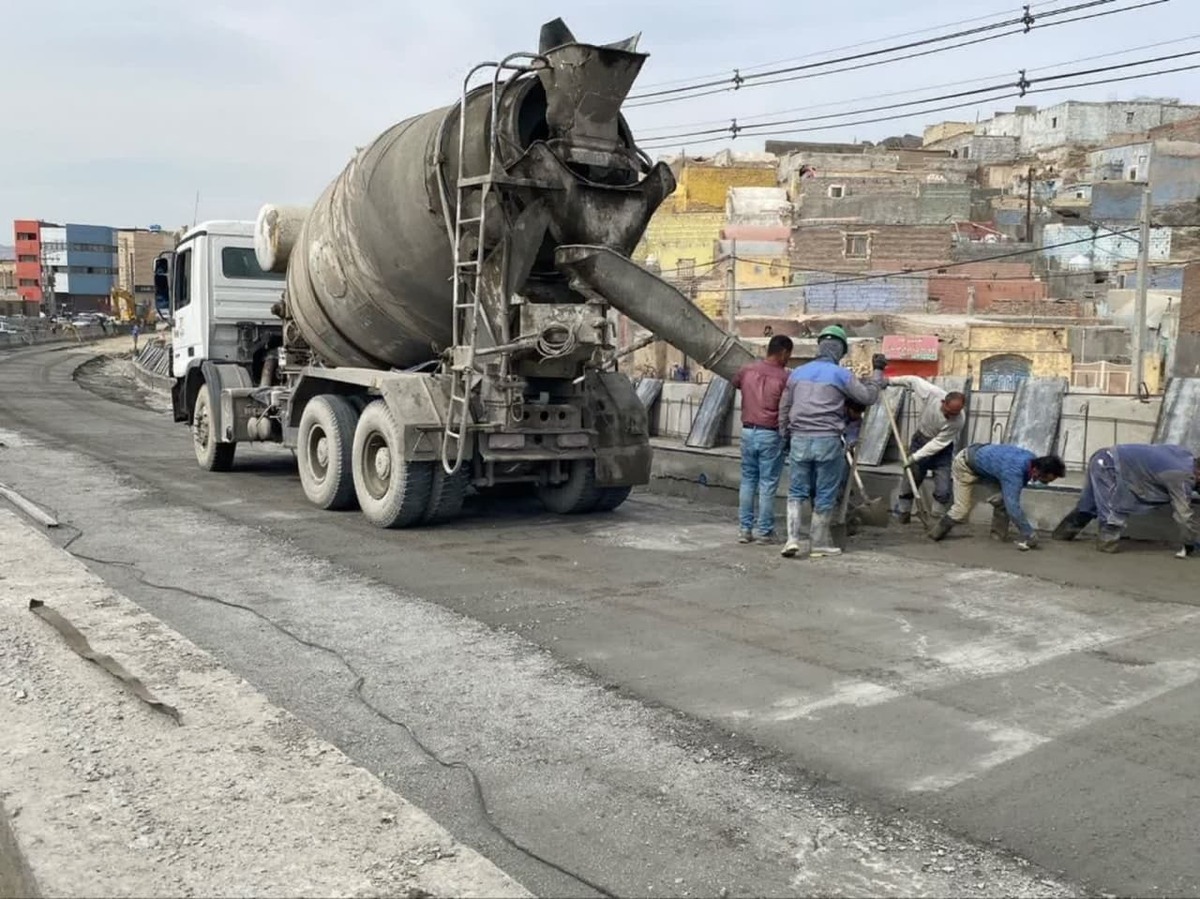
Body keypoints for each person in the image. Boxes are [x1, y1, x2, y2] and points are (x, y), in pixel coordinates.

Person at [777, 325, 888, 558]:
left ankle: (792, 540)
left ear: (819, 346)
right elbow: (868, 397)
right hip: (827, 440)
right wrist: (877, 374)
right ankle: (818, 544)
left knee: (796, 492)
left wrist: (784, 436)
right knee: (826, 493)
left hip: (799, 438)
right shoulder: (841, 375)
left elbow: (784, 409)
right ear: (840, 350)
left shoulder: (796, 374)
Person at [1052, 443, 1200, 556]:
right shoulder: (1182, 476)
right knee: (1112, 516)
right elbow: (1183, 514)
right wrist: (1190, 541)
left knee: (1088, 507)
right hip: (1110, 466)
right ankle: (1105, 551)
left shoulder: (1184, 455)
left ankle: (1059, 537)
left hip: (1106, 457)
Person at [929, 443, 1066, 550]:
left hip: (981, 462)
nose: (1046, 483)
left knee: (1002, 501)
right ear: (1038, 470)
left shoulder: (1030, 459)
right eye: (1046, 480)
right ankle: (934, 535)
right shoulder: (1014, 472)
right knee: (961, 509)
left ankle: (997, 538)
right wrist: (1029, 533)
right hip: (964, 465)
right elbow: (1014, 508)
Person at [731, 334, 794, 544]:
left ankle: (744, 530)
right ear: (783, 352)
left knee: (748, 481)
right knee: (767, 484)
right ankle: (764, 532)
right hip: (770, 434)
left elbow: (736, 383)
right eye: (789, 355)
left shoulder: (747, 369)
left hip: (748, 431)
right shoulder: (785, 378)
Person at [887, 376, 966, 523]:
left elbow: (937, 443)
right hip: (920, 439)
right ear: (943, 402)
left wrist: (914, 457)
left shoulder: (958, 420)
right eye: (948, 412)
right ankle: (903, 512)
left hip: (942, 449)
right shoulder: (932, 394)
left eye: (955, 414)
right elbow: (913, 380)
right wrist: (889, 381)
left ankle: (936, 519)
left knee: (943, 488)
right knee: (911, 480)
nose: (950, 417)